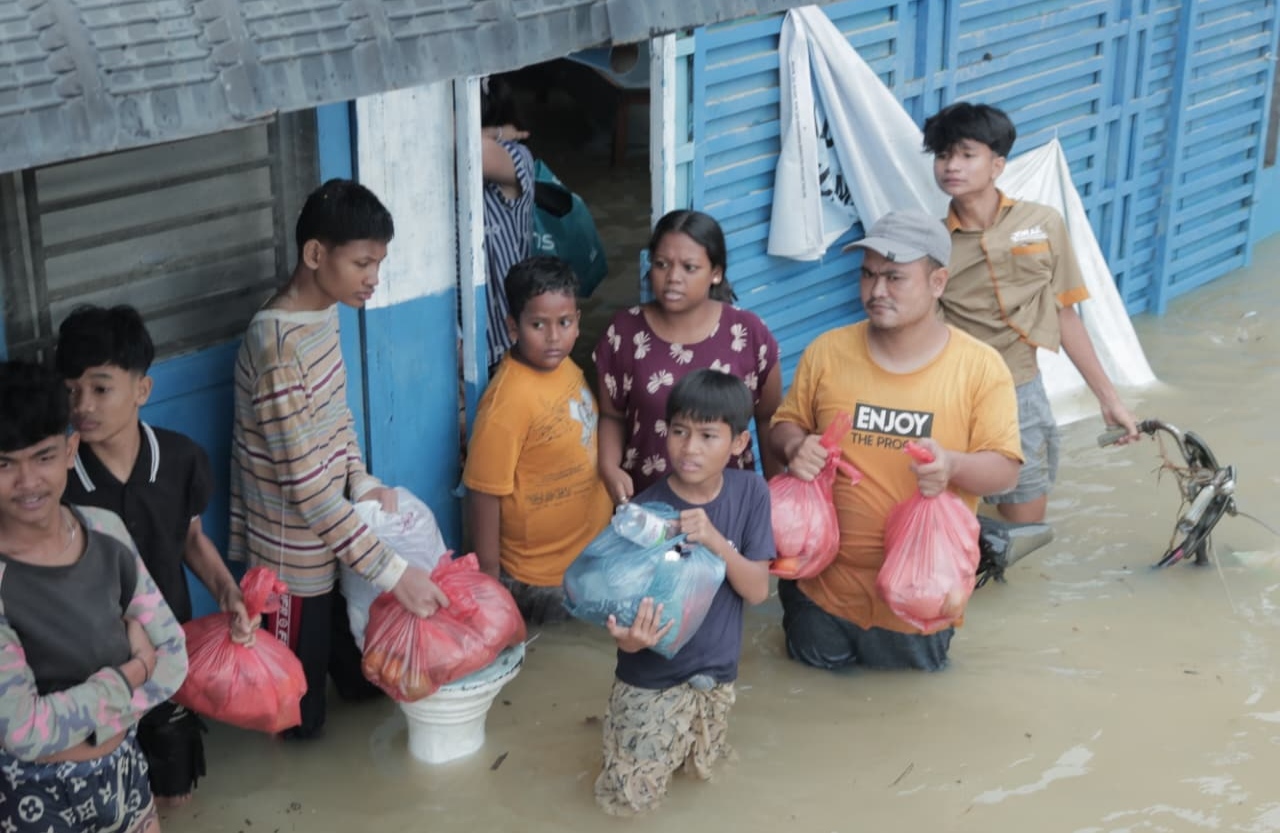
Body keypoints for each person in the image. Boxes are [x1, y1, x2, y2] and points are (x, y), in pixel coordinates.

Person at [229, 178, 448, 739]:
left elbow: (337, 416)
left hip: (338, 540)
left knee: (363, 686)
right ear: (315, 255)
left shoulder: (324, 312)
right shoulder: (276, 352)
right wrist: (396, 572)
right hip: (292, 564)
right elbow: (303, 489)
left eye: (379, 262)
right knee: (300, 722)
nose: (374, 278)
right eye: (363, 263)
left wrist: (362, 478)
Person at [769, 209, 1022, 672]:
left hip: (919, 600)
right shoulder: (828, 352)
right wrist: (794, 447)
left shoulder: (980, 368)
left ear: (938, 282)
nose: (876, 291)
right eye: (867, 276)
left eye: (894, 277)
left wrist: (952, 466)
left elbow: (1005, 470)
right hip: (821, 591)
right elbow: (785, 424)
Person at [55, 304, 253, 806]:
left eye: (101, 388)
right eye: (71, 390)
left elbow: (189, 539)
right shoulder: (56, 478)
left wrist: (227, 592)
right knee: (105, 791)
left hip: (168, 651)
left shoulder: (181, 459)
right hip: (93, 668)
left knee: (174, 788)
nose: (84, 405)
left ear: (141, 389)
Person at [923, 101, 1139, 524]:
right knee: (949, 518)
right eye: (944, 155)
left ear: (998, 164)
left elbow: (1064, 315)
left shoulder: (1042, 223)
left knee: (1025, 523)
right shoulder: (930, 240)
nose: (952, 165)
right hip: (950, 395)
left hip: (1020, 391)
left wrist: (1109, 399)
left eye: (967, 154)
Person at [0, 360, 188, 833]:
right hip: (30, 798)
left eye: (42, 457)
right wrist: (131, 674)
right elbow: (22, 732)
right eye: (4, 464)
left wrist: (87, 719)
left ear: (69, 450)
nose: (27, 482)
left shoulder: (106, 532)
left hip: (124, 774)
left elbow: (173, 660)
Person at [594, 368, 773, 816]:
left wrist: (714, 540)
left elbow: (757, 591)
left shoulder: (751, 493)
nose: (689, 448)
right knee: (629, 801)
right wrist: (628, 639)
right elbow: (618, 612)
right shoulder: (645, 513)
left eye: (708, 435)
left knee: (702, 777)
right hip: (649, 684)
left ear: (738, 443)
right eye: (679, 431)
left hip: (716, 680)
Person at [463, 256, 613, 625]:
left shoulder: (566, 366)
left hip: (588, 553)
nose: (553, 337)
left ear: (578, 321)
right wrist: (490, 581)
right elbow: (483, 493)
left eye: (564, 323)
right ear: (513, 327)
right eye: (538, 325)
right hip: (542, 579)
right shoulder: (507, 402)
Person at [594, 209, 782, 501]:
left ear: (716, 273)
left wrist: (775, 498)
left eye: (689, 267)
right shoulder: (625, 332)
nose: (673, 278)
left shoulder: (747, 333)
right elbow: (612, 415)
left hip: (729, 507)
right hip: (649, 507)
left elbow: (768, 418)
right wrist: (608, 466)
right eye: (661, 264)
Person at [481, 73, 536, 371]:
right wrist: (498, 130)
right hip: (462, 335)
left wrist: (496, 133)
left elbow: (464, 145)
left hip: (501, 333)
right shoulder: (442, 165)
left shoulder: (517, 156)